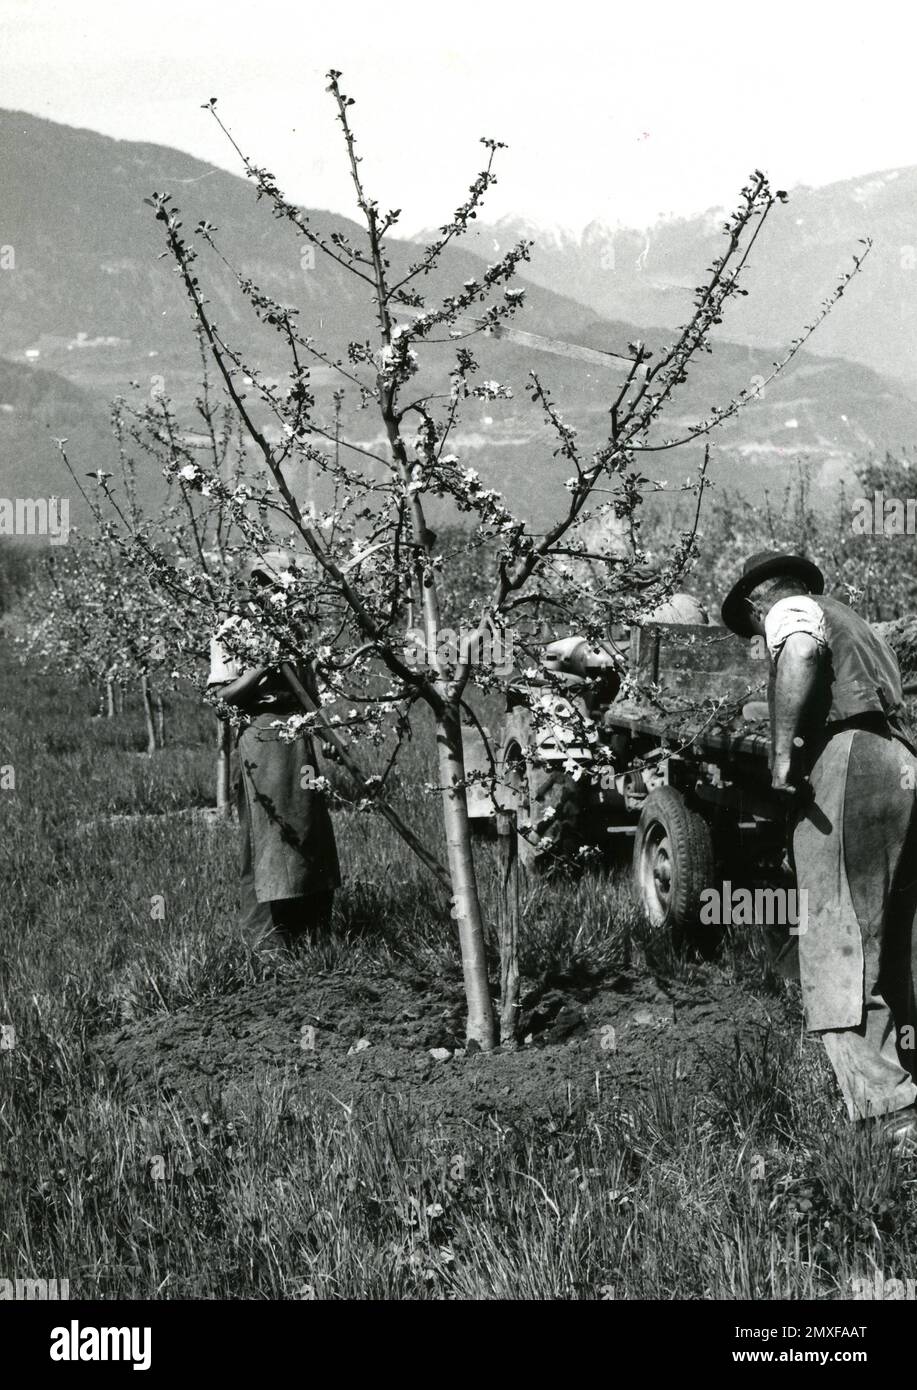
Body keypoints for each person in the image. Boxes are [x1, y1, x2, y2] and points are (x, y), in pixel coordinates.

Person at [721, 550, 917, 1146]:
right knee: (897, 938)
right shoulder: (857, 624)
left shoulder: (792, 609)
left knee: (839, 939)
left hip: (849, 763)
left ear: (759, 604)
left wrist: (781, 756)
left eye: (756, 631)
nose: (763, 637)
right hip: (902, 765)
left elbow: (800, 650)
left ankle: (891, 1120)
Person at [207, 551, 340, 953]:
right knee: (265, 839)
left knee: (310, 834)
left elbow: (310, 693)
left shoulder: (295, 629)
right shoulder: (232, 632)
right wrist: (260, 668)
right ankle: (268, 940)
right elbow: (220, 698)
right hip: (259, 737)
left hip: (297, 737)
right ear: (250, 585)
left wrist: (327, 736)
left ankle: (314, 930)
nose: (273, 593)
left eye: (280, 585)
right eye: (265, 584)